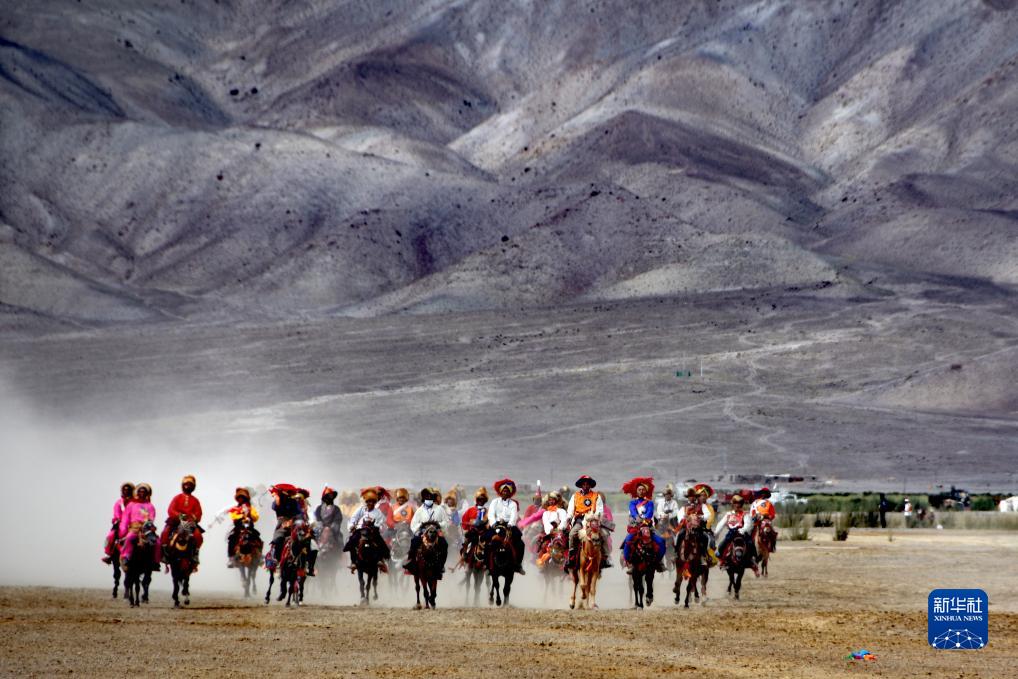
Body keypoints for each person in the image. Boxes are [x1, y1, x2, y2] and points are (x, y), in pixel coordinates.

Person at [620, 477, 666, 573]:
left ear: (646, 491)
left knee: (661, 541)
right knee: (628, 541)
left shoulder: (649, 503)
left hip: (648, 527)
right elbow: (633, 511)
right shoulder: (632, 502)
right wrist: (637, 518)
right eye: (639, 490)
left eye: (643, 490)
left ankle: (658, 562)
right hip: (635, 527)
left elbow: (650, 512)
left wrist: (645, 520)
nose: (641, 491)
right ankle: (630, 563)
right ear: (636, 491)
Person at [566, 475, 612, 569]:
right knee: (572, 534)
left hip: (593, 520)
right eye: (584, 484)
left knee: (604, 534)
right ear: (581, 485)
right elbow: (570, 509)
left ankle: (605, 557)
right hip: (579, 519)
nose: (586, 486)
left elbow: (599, 510)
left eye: (587, 484)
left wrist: (594, 517)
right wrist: (569, 517)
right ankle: (571, 556)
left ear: (590, 485)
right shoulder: (575, 496)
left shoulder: (596, 496)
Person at [403, 488, 449, 576]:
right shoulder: (419, 510)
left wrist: (438, 524)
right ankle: (411, 562)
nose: (429, 498)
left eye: (430, 497)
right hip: (423, 532)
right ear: (424, 498)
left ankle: (441, 565)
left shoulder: (440, 509)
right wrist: (421, 525)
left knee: (444, 544)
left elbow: (446, 522)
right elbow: (413, 524)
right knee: (414, 541)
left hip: (436, 532)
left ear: (433, 498)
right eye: (427, 497)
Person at [485, 478, 527, 575]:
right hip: (496, 525)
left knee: (520, 544)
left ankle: (518, 565)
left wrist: (510, 524)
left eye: (507, 491)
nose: (505, 492)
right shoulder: (494, 502)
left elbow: (514, 516)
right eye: (504, 490)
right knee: (486, 541)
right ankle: (487, 565)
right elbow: (491, 514)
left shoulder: (513, 504)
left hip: (509, 526)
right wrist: (494, 523)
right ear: (500, 491)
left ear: (510, 493)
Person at [161, 475, 204, 568]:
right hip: (176, 521)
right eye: (186, 484)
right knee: (165, 532)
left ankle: (195, 554)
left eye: (190, 484)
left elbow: (199, 513)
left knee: (198, 536)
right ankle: (165, 554)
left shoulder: (195, 500)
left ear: (193, 487)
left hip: (189, 523)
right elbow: (171, 509)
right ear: (183, 485)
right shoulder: (177, 497)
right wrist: (180, 516)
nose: (188, 486)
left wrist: (193, 518)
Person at [343, 487, 391, 570]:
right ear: (366, 501)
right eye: (369, 501)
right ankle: (353, 562)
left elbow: (381, 521)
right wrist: (352, 526)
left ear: (375, 502)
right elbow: (353, 518)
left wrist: (376, 525)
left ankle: (380, 560)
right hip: (360, 530)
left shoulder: (377, 512)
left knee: (380, 542)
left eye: (372, 502)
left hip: (373, 530)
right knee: (352, 541)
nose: (371, 503)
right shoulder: (361, 509)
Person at [715, 494, 759, 576]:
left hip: (742, 533)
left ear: (741, 504)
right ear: (733, 504)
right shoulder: (728, 514)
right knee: (722, 545)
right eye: (735, 503)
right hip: (731, 533)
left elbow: (748, 524)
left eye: (739, 503)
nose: (737, 505)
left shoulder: (745, 514)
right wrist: (716, 532)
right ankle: (722, 560)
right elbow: (721, 524)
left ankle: (753, 562)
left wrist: (743, 530)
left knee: (750, 544)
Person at [675, 485, 717, 566]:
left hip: (698, 528)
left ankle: (703, 555)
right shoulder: (684, 507)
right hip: (687, 528)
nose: (691, 498)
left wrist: (701, 517)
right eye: (690, 496)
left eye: (693, 496)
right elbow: (679, 516)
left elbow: (708, 515)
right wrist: (684, 519)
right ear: (688, 497)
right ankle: (676, 554)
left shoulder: (702, 506)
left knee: (705, 538)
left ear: (696, 497)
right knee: (679, 535)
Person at [119, 483, 160, 566]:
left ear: (147, 494)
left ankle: (156, 561)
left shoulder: (150, 506)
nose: (142, 493)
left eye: (144, 492)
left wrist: (149, 523)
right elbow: (125, 518)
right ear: (137, 493)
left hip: (146, 528)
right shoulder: (131, 504)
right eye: (140, 491)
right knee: (129, 538)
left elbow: (152, 517)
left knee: (157, 542)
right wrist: (123, 529)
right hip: (134, 528)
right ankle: (126, 556)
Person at [226, 487, 261, 566]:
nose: (240, 499)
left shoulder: (251, 508)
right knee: (231, 538)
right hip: (239, 527)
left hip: (249, 527)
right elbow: (233, 517)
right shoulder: (235, 508)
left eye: (242, 497)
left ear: (245, 498)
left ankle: (259, 557)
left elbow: (256, 517)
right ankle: (231, 558)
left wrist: (249, 514)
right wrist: (242, 515)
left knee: (257, 537)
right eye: (239, 498)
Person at [103, 482, 135, 563]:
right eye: (124, 489)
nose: (126, 491)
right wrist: (118, 519)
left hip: (134, 523)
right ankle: (108, 554)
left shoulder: (135, 502)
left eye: (128, 489)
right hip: (121, 523)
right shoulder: (119, 502)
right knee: (111, 535)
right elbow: (117, 512)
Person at [460, 487, 489, 556]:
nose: (481, 501)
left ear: (485, 501)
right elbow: (464, 520)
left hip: (483, 532)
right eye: (479, 499)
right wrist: (468, 524)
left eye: (483, 499)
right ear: (476, 500)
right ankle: (464, 556)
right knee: (467, 539)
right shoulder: (470, 510)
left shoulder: (487, 511)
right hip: (473, 531)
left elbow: (487, 522)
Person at [314, 485, 344, 553]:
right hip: (320, 527)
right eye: (328, 496)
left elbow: (338, 518)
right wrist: (321, 525)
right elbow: (318, 517)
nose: (330, 498)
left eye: (331, 496)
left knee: (340, 537)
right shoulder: (319, 508)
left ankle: (342, 554)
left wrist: (332, 526)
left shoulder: (336, 508)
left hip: (333, 527)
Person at [750, 487, 778, 553]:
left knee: (772, 533)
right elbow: (751, 513)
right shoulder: (754, 503)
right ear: (760, 494)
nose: (763, 494)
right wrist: (754, 517)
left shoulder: (769, 503)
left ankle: (772, 546)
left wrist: (767, 517)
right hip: (756, 521)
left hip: (765, 521)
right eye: (762, 493)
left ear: (766, 495)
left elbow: (772, 515)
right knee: (748, 534)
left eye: (765, 493)